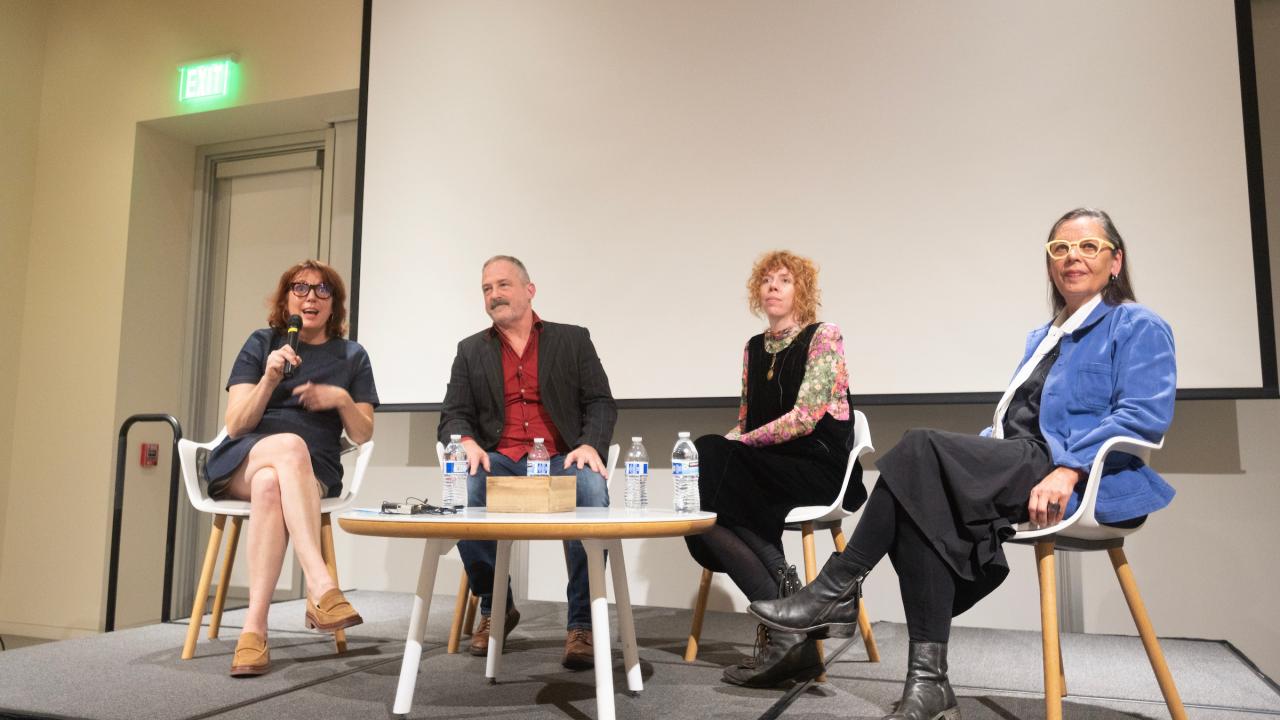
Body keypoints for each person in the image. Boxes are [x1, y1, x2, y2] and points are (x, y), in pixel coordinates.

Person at [748, 208, 1176, 719]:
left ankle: (834, 590)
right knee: (919, 498)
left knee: (920, 448)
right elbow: (1011, 422)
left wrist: (1070, 468)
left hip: (1071, 474)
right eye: (1059, 249)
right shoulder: (1045, 335)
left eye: (1088, 247)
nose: (1072, 258)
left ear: (1115, 259)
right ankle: (928, 685)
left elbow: (1143, 415)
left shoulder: (1137, 325)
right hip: (1020, 461)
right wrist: (973, 455)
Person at [683, 250, 862, 688]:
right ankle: (790, 620)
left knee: (711, 470)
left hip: (816, 464)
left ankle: (785, 621)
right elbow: (747, 423)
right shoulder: (752, 348)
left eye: (784, 280)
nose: (773, 287)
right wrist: (724, 445)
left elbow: (804, 417)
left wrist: (731, 444)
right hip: (768, 466)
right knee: (700, 483)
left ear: (802, 290)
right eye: (766, 280)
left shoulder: (825, 336)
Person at [438, 255, 617, 669]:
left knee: (590, 488)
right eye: (486, 289)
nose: (494, 295)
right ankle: (495, 606)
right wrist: (465, 440)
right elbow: (453, 413)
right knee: (469, 492)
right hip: (501, 459)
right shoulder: (470, 351)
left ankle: (582, 624)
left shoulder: (571, 340)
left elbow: (601, 402)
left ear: (529, 290)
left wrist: (590, 444)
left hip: (560, 457)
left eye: (503, 285)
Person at [203, 259, 378, 677]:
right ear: (286, 300)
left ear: (334, 305)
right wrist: (268, 378)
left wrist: (339, 399)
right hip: (245, 457)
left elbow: (364, 432)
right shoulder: (262, 343)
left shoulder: (352, 356)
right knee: (282, 452)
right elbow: (236, 424)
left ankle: (253, 631)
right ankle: (319, 583)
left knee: (270, 486)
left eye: (321, 290)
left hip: (312, 470)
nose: (310, 297)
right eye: (300, 288)